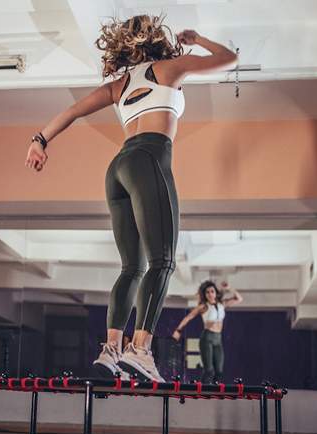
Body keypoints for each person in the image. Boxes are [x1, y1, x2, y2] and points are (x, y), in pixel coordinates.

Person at [25, 15, 237, 381]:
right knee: (163, 261)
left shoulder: (118, 85)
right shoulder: (169, 68)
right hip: (148, 159)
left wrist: (39, 141)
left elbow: (72, 111)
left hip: (117, 169)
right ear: (158, 42)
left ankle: (111, 352)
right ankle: (139, 350)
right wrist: (199, 37)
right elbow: (228, 58)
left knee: (132, 268)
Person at [172, 280, 243, 383]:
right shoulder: (203, 306)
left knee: (219, 371)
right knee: (209, 370)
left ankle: (215, 391)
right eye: (207, 292)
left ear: (215, 293)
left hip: (218, 339)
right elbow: (188, 317)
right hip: (207, 338)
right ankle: (203, 392)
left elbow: (239, 299)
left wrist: (229, 288)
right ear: (205, 295)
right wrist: (178, 330)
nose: (210, 294)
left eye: (212, 291)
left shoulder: (222, 304)